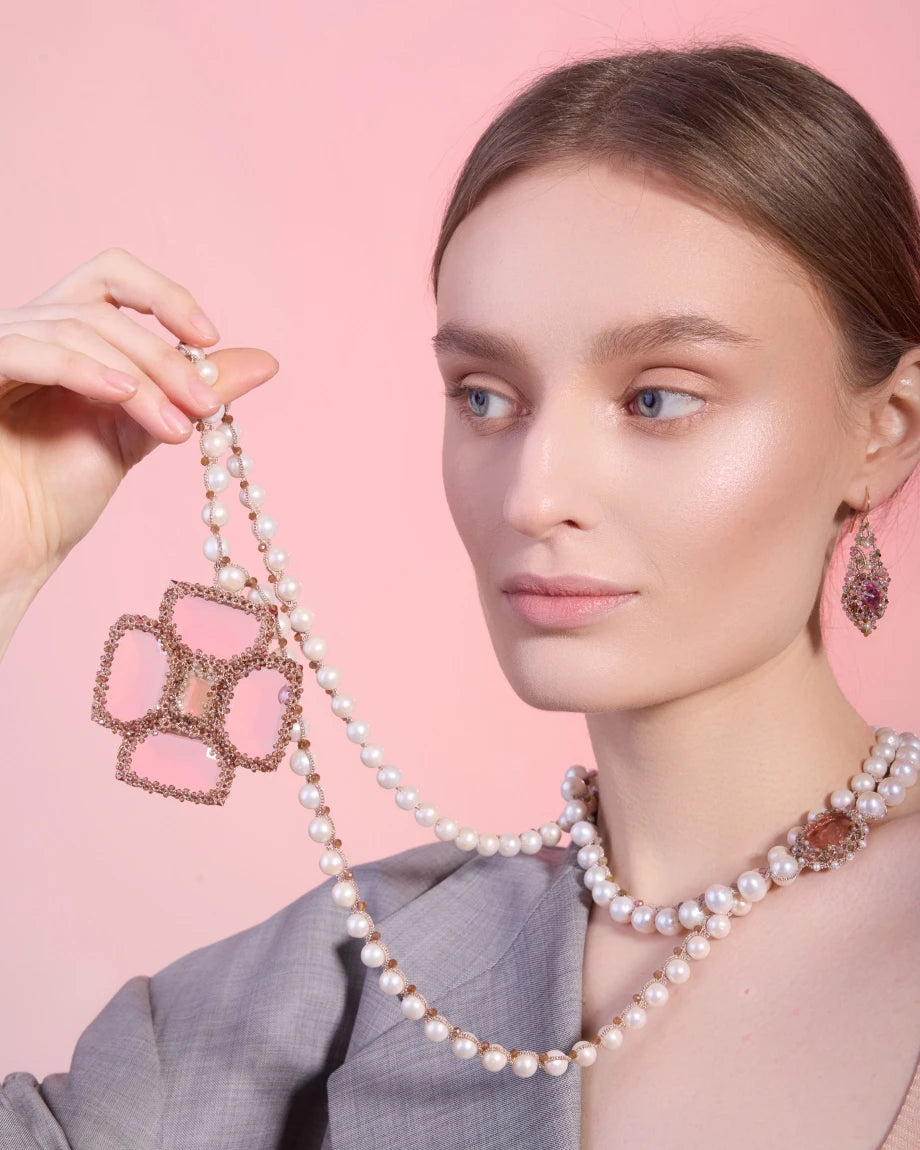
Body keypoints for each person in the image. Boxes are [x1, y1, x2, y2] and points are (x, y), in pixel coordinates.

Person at [1, 38, 919, 1150]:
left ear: (883, 431)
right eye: (485, 397)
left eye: (658, 399)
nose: (534, 492)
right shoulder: (324, 1000)